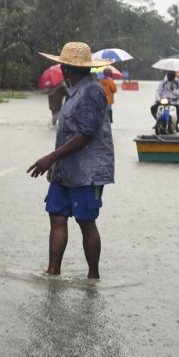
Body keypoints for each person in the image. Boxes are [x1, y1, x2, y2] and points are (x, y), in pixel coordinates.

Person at [26, 42, 114, 280]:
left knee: (86, 221)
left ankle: (93, 277)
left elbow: (85, 134)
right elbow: (66, 134)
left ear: (66, 68)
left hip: (87, 172)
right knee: (56, 216)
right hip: (65, 169)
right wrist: (55, 164)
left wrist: (50, 158)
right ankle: (52, 272)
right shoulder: (72, 93)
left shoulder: (92, 92)